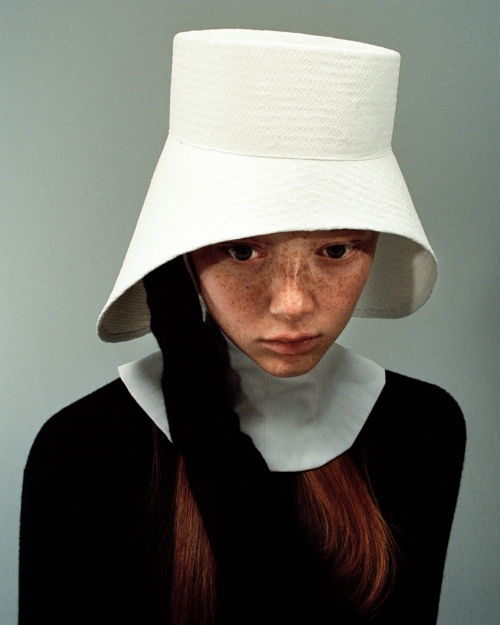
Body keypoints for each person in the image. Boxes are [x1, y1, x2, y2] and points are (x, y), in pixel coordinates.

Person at [18, 29, 465, 625]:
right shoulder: (82, 453)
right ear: (179, 253)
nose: (293, 304)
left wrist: (199, 410)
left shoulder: (422, 429)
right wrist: (190, 382)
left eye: (336, 249)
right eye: (241, 250)